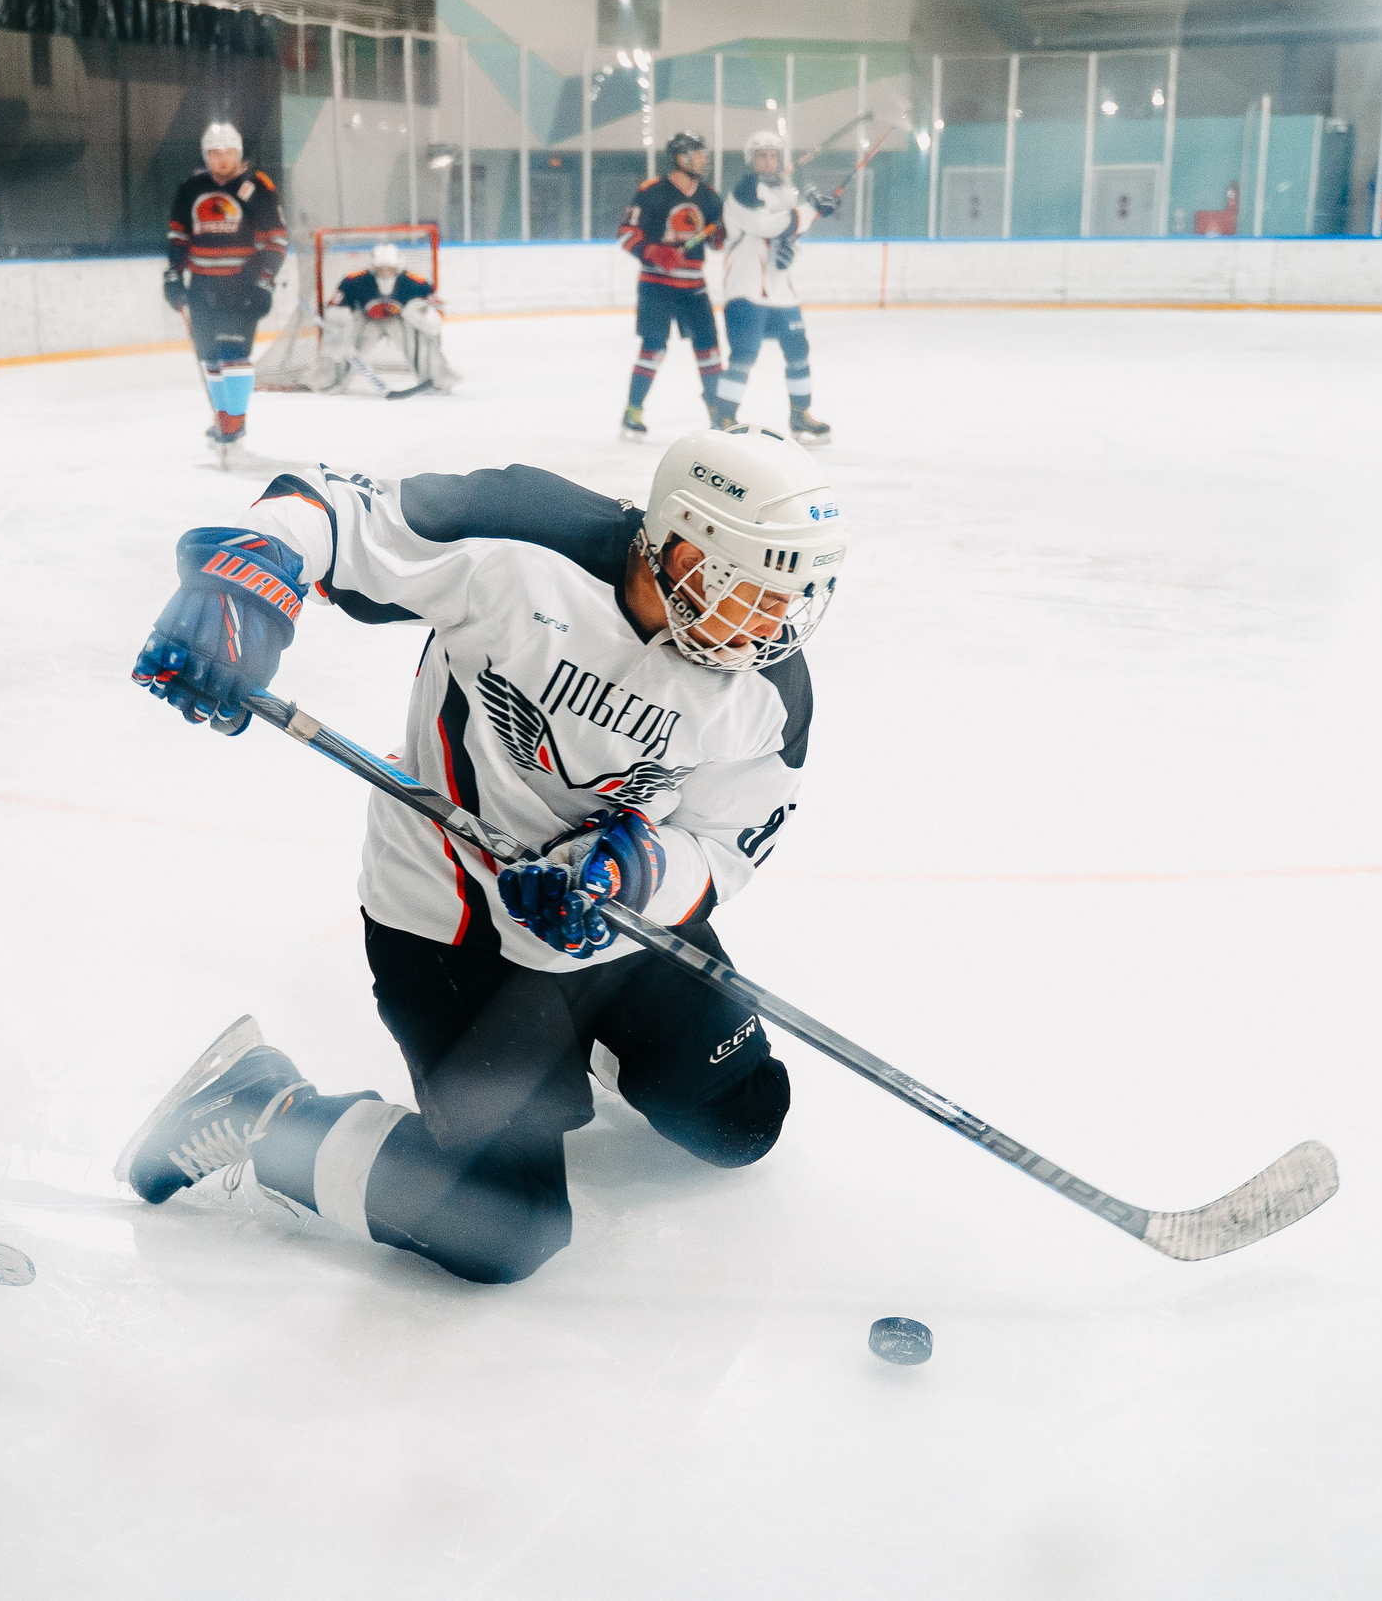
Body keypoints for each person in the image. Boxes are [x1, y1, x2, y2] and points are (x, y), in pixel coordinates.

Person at [114, 429, 847, 1285]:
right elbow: (332, 508)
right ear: (685, 549)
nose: (777, 623)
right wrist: (241, 575)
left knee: (743, 1120)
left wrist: (635, 873)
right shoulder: (526, 540)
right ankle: (259, 1110)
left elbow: (722, 846)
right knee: (508, 1225)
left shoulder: (769, 691)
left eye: (793, 596)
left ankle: (590, 1042)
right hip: (452, 921)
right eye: (756, 590)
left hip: (617, 925)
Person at [165, 122, 288, 465]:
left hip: (242, 286)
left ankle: (234, 422)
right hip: (202, 286)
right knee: (211, 358)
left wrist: (264, 281)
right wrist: (173, 277)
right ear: (206, 155)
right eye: (214, 153)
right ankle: (224, 416)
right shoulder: (191, 188)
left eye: (228, 152)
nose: (221, 160)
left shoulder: (256, 187)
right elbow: (178, 238)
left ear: (239, 152)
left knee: (234, 353)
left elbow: (275, 240)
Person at [717, 128, 838, 444]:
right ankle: (725, 417)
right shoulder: (743, 191)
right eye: (761, 156)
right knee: (743, 355)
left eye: (772, 156)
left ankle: (801, 414)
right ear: (750, 161)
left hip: (781, 291)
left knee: (799, 351)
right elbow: (766, 225)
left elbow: (788, 233)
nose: (768, 162)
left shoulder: (786, 192)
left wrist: (791, 251)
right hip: (746, 290)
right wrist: (813, 210)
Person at [615, 131, 729, 440]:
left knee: (710, 351)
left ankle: (719, 411)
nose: (704, 158)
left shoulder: (709, 196)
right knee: (652, 350)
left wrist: (723, 229)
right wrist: (651, 251)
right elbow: (627, 234)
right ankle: (633, 411)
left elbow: (718, 242)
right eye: (698, 152)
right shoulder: (651, 192)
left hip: (694, 287)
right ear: (682, 157)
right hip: (656, 286)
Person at [313, 240, 458, 394]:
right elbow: (335, 306)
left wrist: (424, 317)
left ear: (398, 266)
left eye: (390, 268)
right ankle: (329, 380)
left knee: (422, 341)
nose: (385, 272)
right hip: (365, 321)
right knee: (341, 340)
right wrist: (339, 321)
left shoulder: (416, 283)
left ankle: (436, 381)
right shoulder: (354, 281)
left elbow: (437, 311)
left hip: (400, 322)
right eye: (381, 268)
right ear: (373, 266)